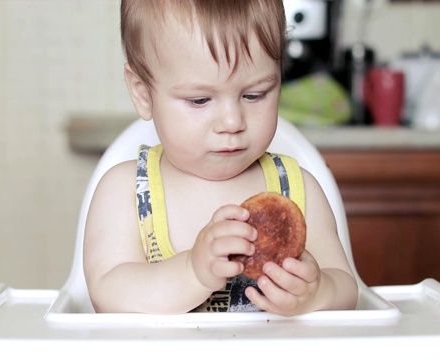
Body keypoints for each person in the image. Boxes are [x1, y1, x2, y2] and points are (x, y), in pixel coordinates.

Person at [83, 0, 358, 316]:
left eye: (253, 95)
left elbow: (347, 288)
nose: (232, 122)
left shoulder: (298, 190)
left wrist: (317, 293)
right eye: (200, 100)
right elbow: (108, 295)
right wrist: (192, 272)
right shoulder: (124, 191)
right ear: (143, 93)